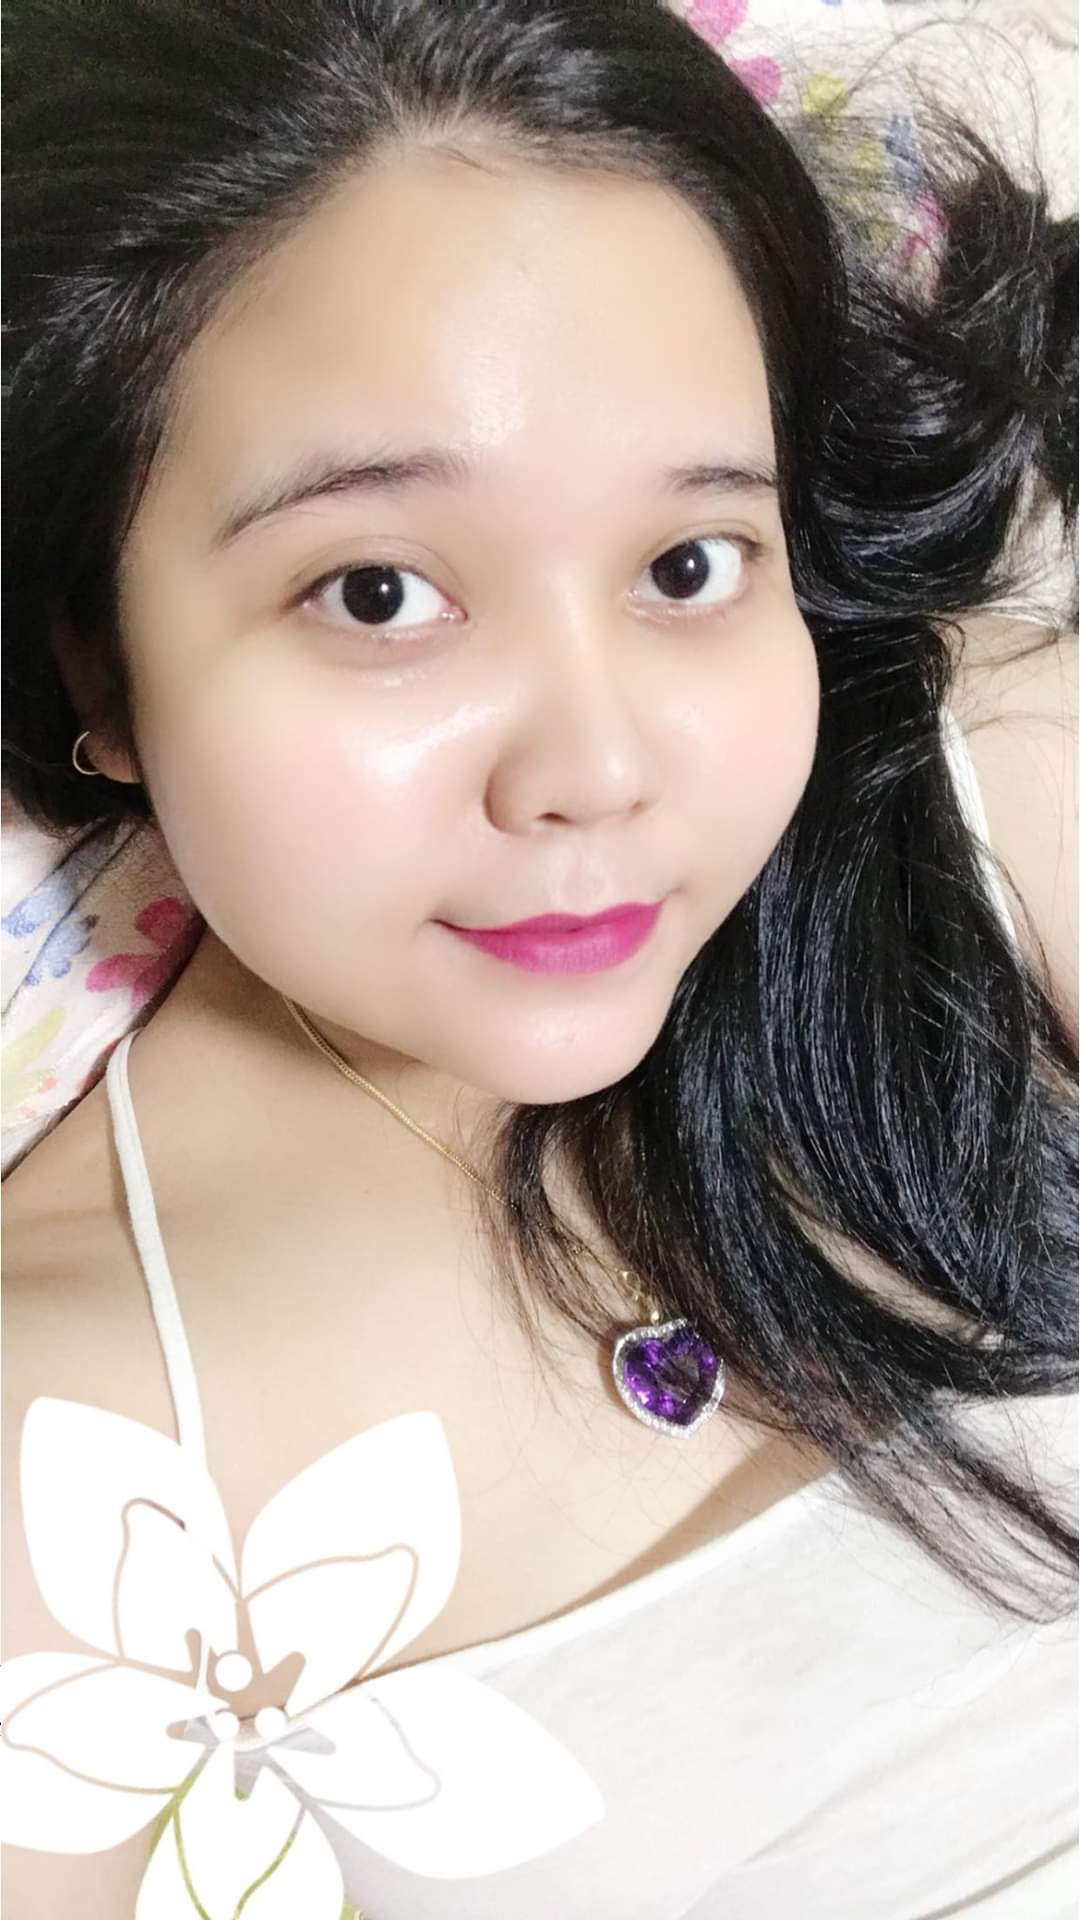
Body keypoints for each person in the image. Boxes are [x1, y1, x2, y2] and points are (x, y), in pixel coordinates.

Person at [2, 2, 1076, 1915]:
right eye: (380, 593)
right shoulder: (61, 1449)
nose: (594, 768)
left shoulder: (988, 794)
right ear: (99, 654)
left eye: (689, 566)